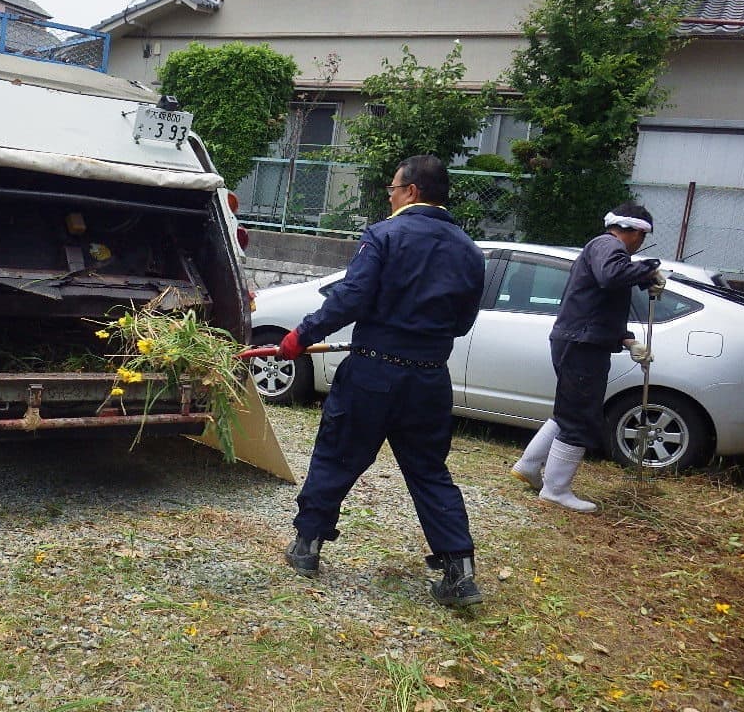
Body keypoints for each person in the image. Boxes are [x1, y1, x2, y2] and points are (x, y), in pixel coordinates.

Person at [279, 155, 487, 608]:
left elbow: (351, 297)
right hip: (430, 378)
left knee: (338, 455)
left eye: (393, 188)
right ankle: (460, 571)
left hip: (374, 372)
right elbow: (464, 322)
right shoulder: (470, 251)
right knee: (430, 472)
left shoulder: (384, 235)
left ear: (411, 191)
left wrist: (301, 336)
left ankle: (307, 545)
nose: (389, 195)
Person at [510, 203, 665, 512]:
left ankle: (528, 466)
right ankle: (555, 489)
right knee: (581, 416)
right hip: (582, 344)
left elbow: (597, 303)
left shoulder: (602, 249)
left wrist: (626, 339)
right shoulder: (608, 246)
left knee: (569, 410)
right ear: (635, 232)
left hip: (579, 340)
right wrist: (650, 268)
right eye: (643, 237)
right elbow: (610, 277)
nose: (641, 245)